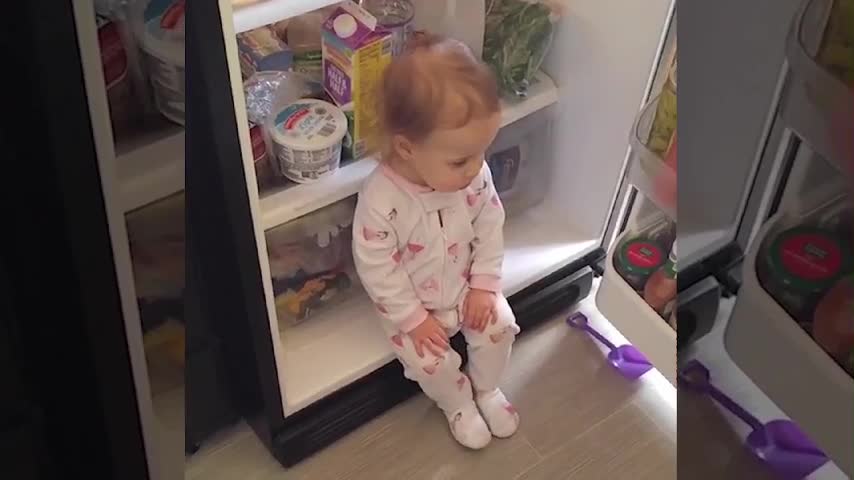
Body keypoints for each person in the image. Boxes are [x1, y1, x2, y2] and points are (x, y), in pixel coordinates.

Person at [352, 34, 520, 450]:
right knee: (429, 361)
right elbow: (377, 265)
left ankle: (487, 388)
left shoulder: (474, 177)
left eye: (482, 151)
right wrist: (413, 318)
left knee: (499, 324)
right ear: (407, 148)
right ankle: (458, 402)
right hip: (414, 304)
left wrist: (484, 284)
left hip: (465, 285)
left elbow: (490, 222)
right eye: (460, 159)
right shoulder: (382, 200)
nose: (477, 167)